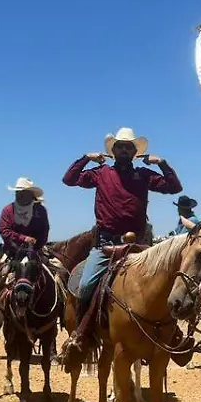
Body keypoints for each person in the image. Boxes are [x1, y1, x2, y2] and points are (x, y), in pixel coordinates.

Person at [62, 127, 182, 339]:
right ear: (114, 151)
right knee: (85, 284)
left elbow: (174, 188)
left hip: (139, 246)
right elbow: (69, 179)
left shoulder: (144, 175)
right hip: (105, 245)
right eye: (120, 147)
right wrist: (86, 158)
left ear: (134, 152)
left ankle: (170, 334)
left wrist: (162, 164)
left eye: (129, 147)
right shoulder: (100, 173)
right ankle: (81, 335)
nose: (125, 150)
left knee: (164, 282)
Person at [0, 177, 51, 334]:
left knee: (56, 274)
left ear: (31, 195)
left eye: (22, 193)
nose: (19, 196)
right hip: (12, 252)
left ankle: (59, 313)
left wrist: (35, 247)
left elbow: (44, 231)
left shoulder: (40, 211)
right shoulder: (8, 210)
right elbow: (4, 231)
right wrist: (23, 239)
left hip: (36, 251)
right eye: (17, 193)